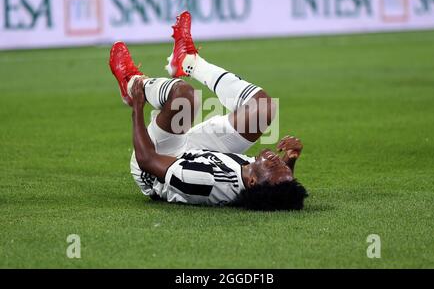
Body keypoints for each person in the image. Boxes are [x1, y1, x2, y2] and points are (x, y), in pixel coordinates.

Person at [109, 11, 308, 210]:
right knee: (262, 109)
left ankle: (131, 84)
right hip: (203, 154)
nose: (277, 160)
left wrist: (137, 108)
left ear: (253, 182)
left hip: (159, 161)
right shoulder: (254, 177)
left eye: (274, 165)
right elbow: (278, 187)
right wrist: (289, 160)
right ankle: (189, 62)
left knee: (185, 97)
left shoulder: (204, 180)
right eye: (283, 168)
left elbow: (147, 160)